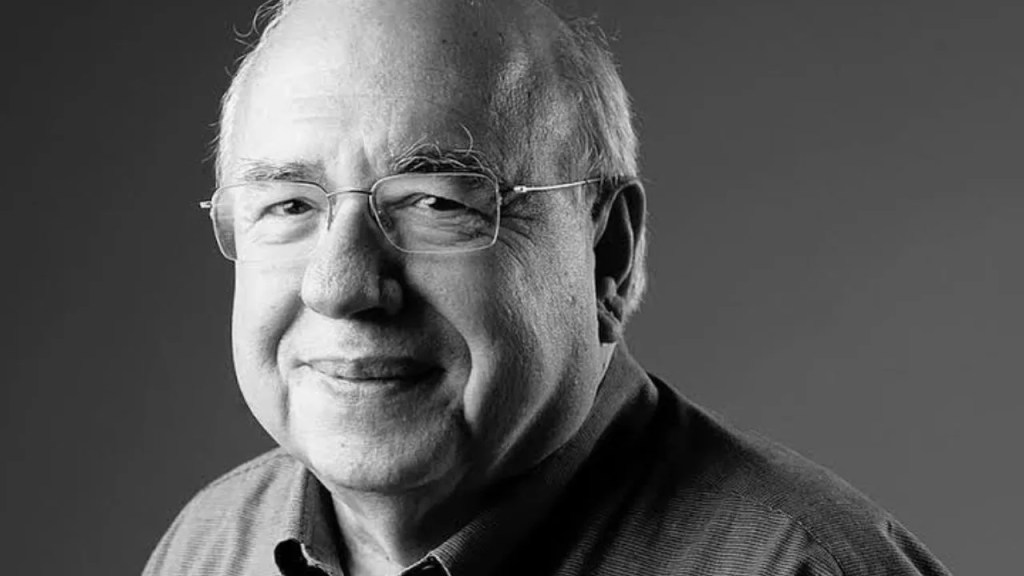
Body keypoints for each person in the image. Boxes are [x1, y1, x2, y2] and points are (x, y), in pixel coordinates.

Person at [144, 1, 952, 575]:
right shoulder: (209, 549)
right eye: (288, 206)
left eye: (437, 202)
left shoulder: (802, 567)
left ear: (608, 253)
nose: (341, 284)